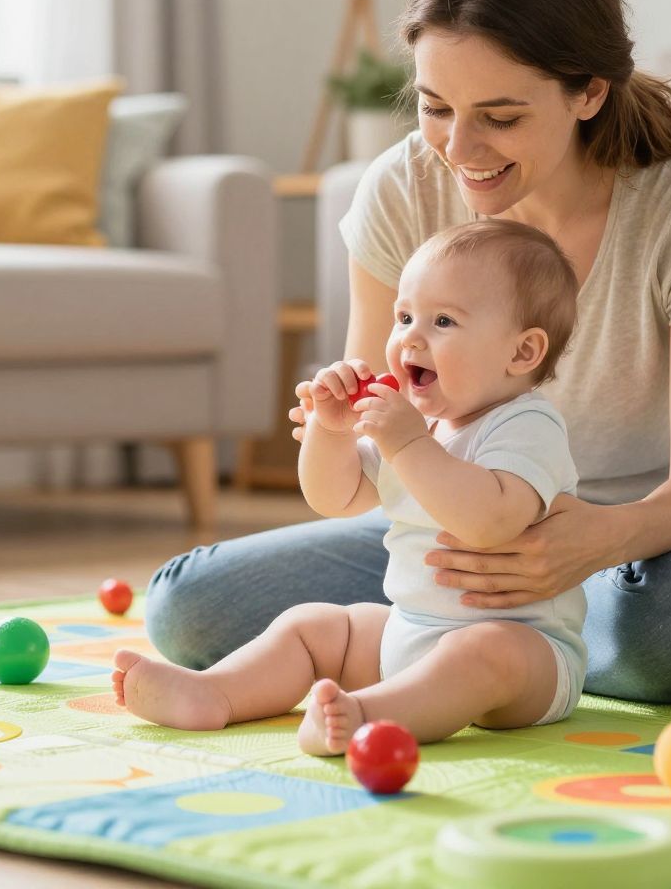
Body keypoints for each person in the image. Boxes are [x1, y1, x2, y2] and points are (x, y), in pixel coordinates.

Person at [145, 0, 671, 704]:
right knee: (188, 612)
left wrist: (586, 544)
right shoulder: (399, 188)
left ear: (588, 90)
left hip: (662, 541)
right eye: (435, 107)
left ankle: (481, 651)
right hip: (445, 527)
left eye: (501, 115)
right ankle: (490, 652)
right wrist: (336, 424)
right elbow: (376, 448)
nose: (459, 147)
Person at [114, 221, 583, 753]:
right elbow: (334, 498)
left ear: (522, 353)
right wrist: (331, 431)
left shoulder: (526, 425)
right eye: (404, 316)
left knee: (485, 653)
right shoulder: (417, 423)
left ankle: (365, 716)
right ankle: (214, 694)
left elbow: (489, 519)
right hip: (407, 631)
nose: (410, 336)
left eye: (444, 321)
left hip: (527, 655)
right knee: (313, 626)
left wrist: (407, 445)